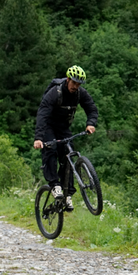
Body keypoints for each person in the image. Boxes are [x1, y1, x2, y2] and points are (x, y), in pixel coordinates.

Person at [33, 65, 98, 211]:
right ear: (68, 79)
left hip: (63, 128)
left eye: (78, 83)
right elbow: (42, 115)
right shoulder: (54, 93)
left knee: (68, 155)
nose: (76, 86)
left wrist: (90, 124)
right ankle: (55, 185)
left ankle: (67, 194)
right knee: (51, 149)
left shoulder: (80, 93)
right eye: (74, 82)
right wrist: (38, 138)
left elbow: (92, 109)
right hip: (48, 127)